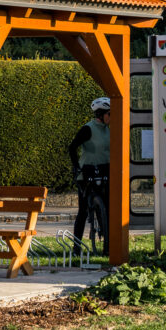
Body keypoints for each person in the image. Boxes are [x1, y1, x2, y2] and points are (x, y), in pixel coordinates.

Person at [68, 97, 111, 252]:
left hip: (105, 168)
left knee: (108, 207)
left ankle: (109, 244)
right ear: (100, 114)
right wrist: (76, 167)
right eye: (109, 114)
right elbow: (72, 147)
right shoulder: (88, 129)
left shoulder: (109, 129)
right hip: (87, 171)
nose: (111, 117)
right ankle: (76, 247)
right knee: (83, 210)